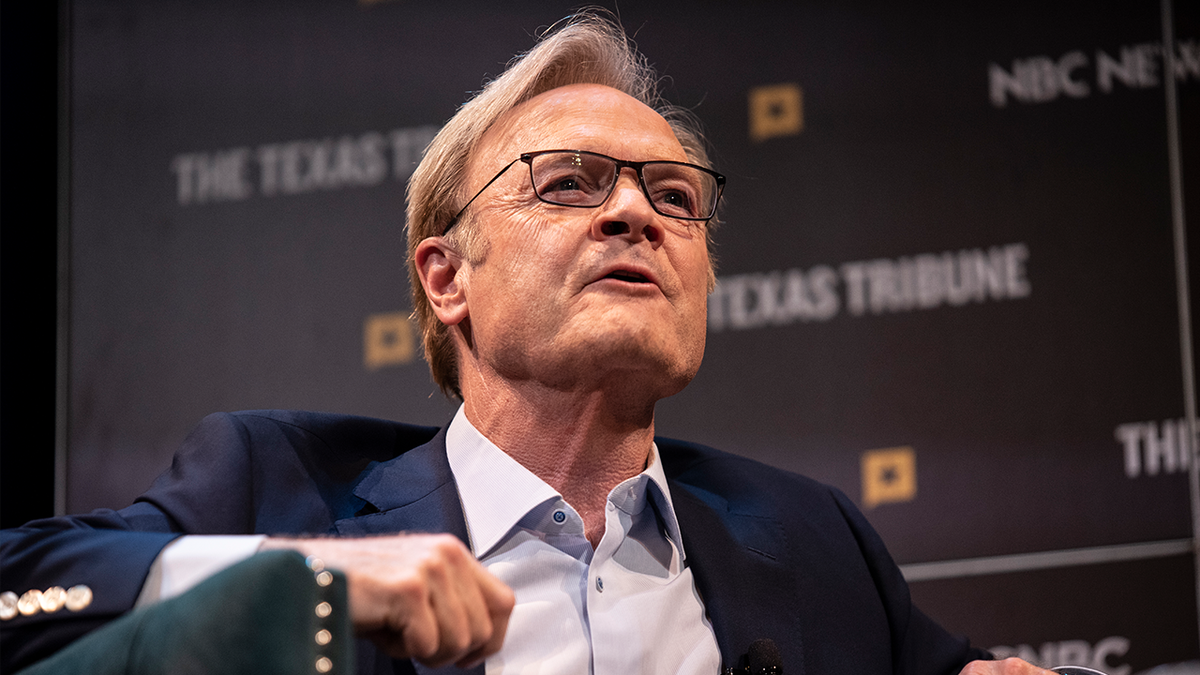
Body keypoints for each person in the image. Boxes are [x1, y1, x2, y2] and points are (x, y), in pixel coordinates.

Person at [2, 11, 1057, 675]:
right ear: (445, 278)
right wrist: (297, 579)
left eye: (675, 196)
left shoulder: (814, 539)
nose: (636, 215)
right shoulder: (272, 487)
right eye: (569, 183)